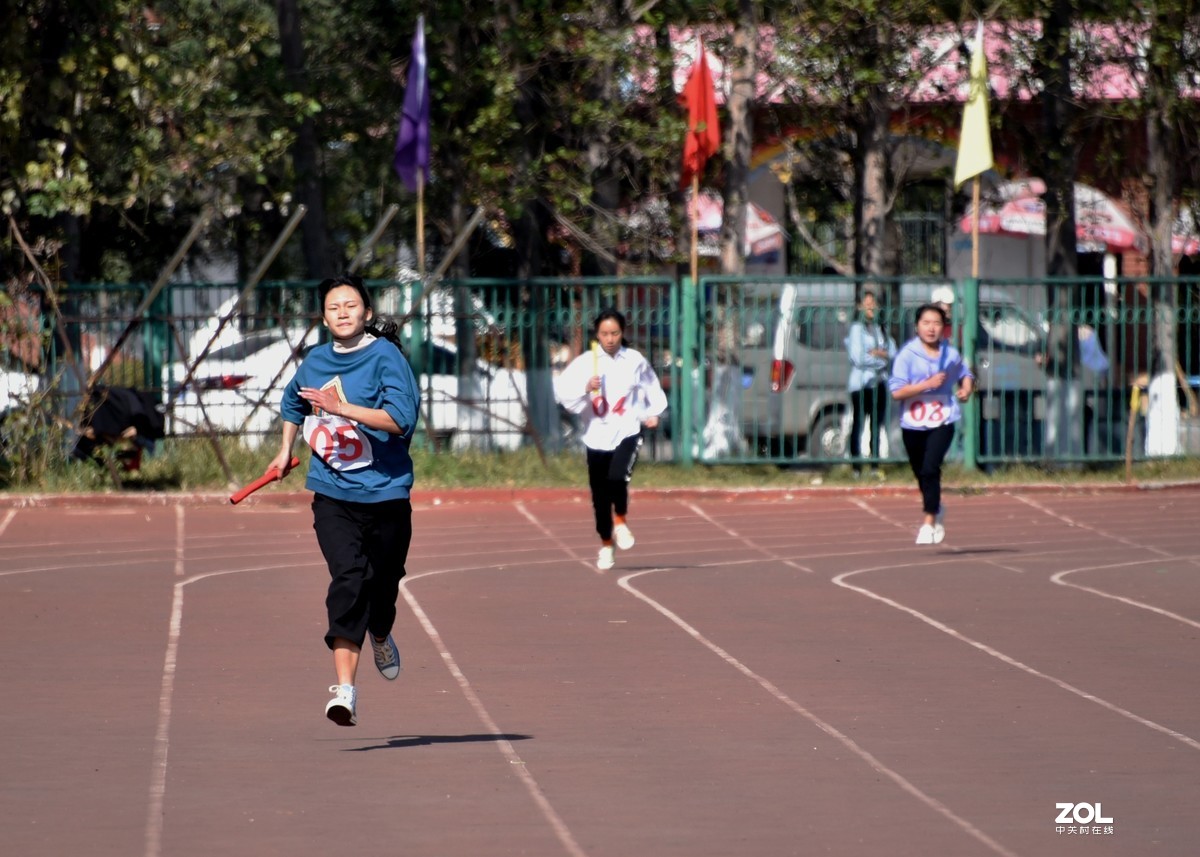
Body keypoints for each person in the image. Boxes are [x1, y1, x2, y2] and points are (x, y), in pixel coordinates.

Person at [267, 274, 420, 726]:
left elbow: (399, 420)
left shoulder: (385, 357)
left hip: (387, 492)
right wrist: (285, 449)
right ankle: (344, 691)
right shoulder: (314, 361)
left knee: (384, 585)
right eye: (333, 307)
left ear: (367, 313)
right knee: (349, 579)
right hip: (333, 493)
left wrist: (341, 409)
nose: (342, 313)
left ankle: (382, 631)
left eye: (351, 305)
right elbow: (294, 404)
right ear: (323, 316)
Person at [554, 309, 667, 570]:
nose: (610, 338)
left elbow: (651, 386)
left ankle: (621, 521)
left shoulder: (634, 360)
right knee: (600, 496)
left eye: (615, 333)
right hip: (596, 436)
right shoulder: (586, 362)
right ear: (597, 335)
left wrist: (653, 413)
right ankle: (606, 544)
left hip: (627, 431)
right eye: (605, 334)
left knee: (618, 477)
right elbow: (564, 395)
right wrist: (585, 387)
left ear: (622, 333)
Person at [889, 303, 974, 544]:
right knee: (921, 472)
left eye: (936, 323)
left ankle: (928, 521)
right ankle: (936, 506)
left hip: (943, 418)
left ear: (944, 328)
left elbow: (965, 374)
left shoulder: (951, 354)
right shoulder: (906, 355)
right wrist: (926, 385)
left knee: (930, 468)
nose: (931, 328)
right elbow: (897, 392)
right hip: (912, 423)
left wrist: (966, 390)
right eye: (926, 323)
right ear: (917, 327)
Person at [845, 290, 896, 478]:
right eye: (867, 304)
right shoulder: (857, 329)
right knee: (858, 423)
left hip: (879, 382)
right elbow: (858, 358)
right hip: (861, 384)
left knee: (877, 425)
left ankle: (875, 466)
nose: (871, 307)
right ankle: (856, 467)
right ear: (860, 306)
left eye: (873, 303)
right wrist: (879, 357)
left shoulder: (880, 328)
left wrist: (880, 354)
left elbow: (892, 351)